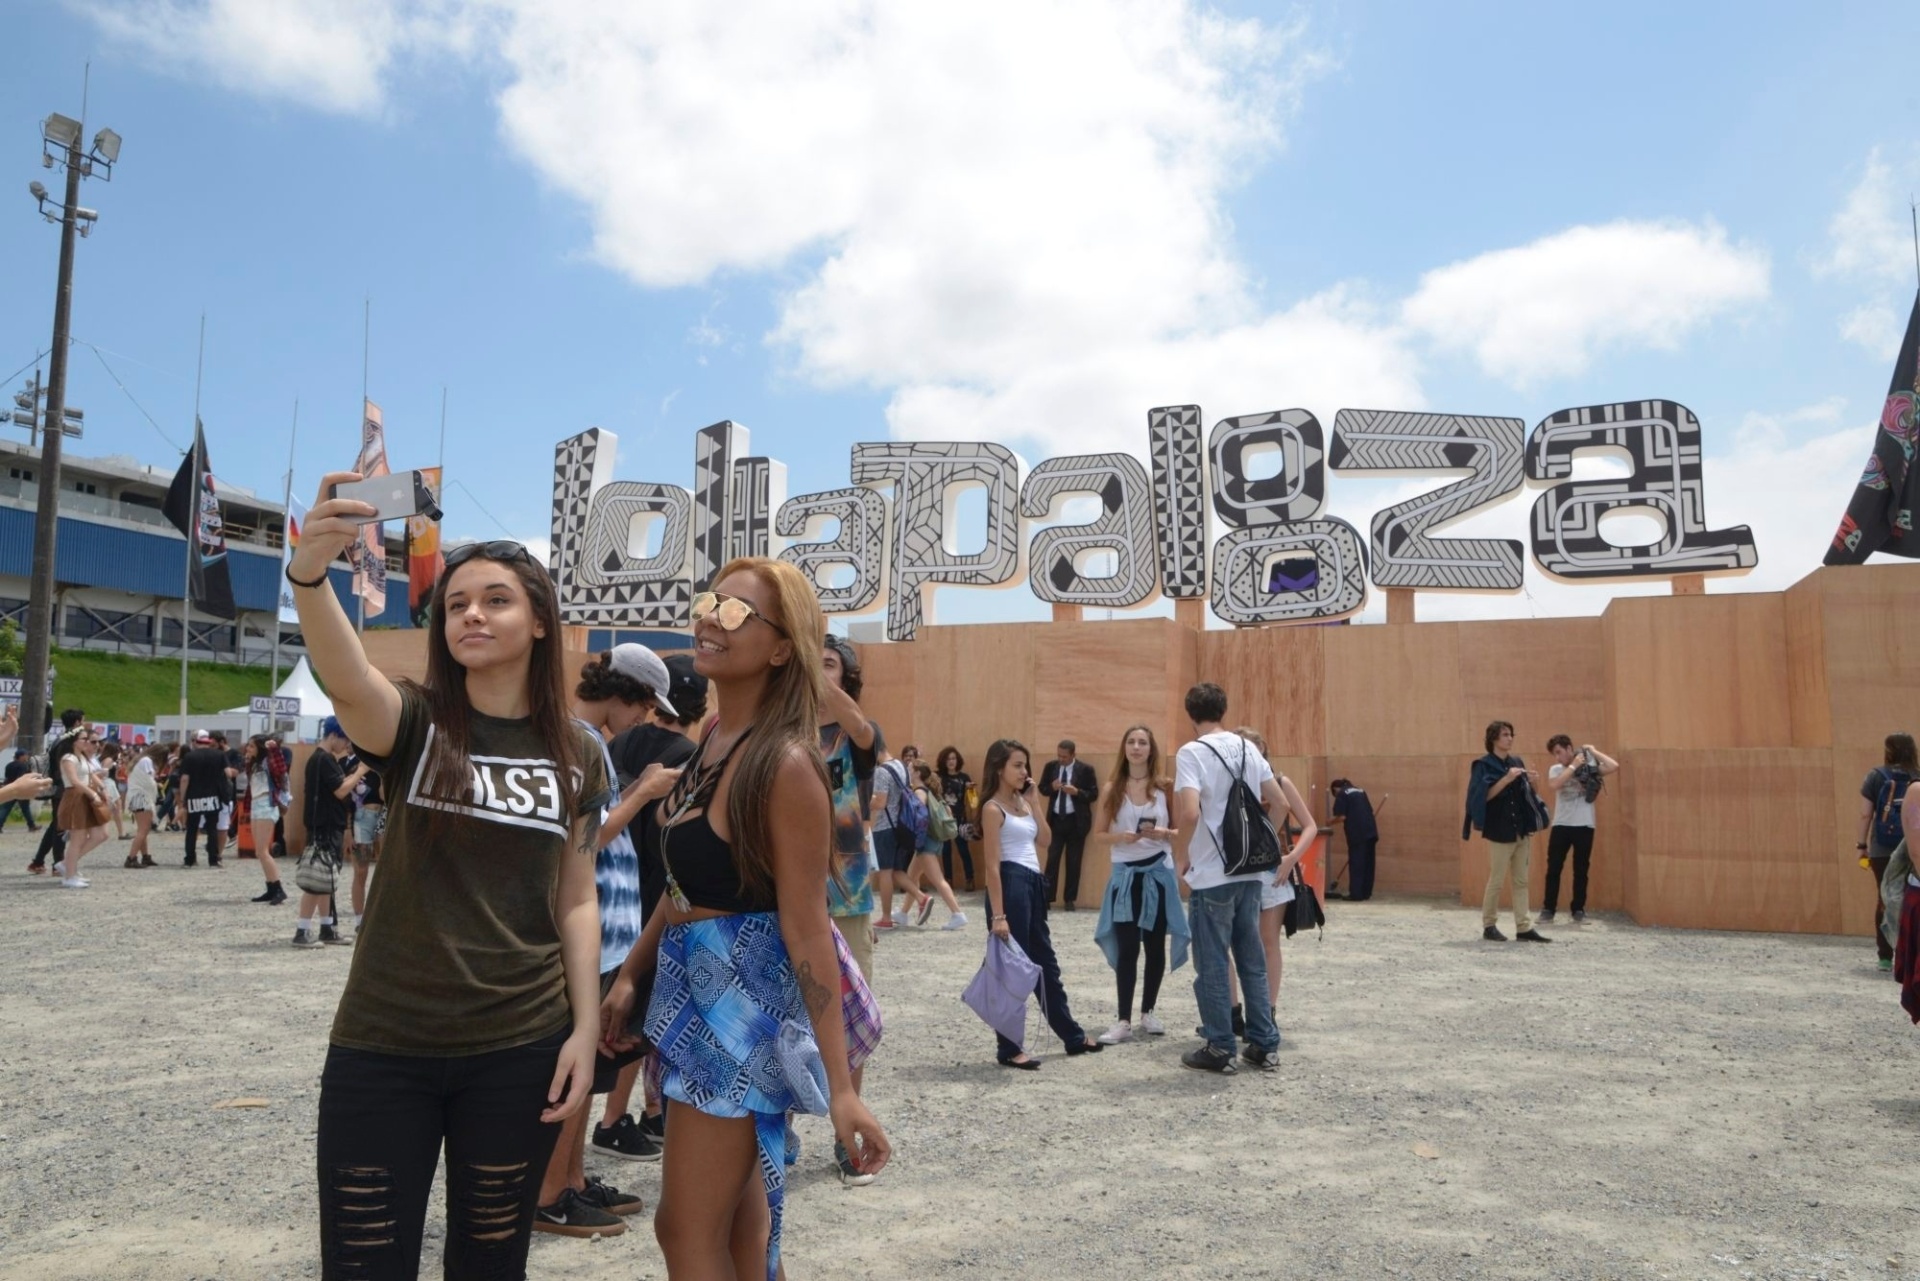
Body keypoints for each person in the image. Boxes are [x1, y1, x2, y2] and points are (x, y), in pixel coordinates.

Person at [290, 478, 613, 1278]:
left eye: (497, 599)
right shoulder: (417, 722)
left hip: (520, 1044)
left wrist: (584, 1027)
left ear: (540, 622)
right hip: (383, 1042)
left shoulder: (580, 753)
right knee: (364, 1262)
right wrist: (308, 578)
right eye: (457, 601)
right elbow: (349, 680)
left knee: (490, 1262)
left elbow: (576, 900)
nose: (471, 612)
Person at [599, 559, 891, 1280]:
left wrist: (843, 1087)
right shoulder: (718, 741)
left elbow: (806, 927)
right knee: (739, 1228)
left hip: (742, 1011)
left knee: (684, 1229)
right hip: (696, 996)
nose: (709, 617)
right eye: (708, 602)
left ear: (783, 645)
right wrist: (633, 971)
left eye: (735, 612)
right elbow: (684, 884)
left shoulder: (785, 764)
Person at [530, 643, 679, 1239]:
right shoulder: (583, 739)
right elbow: (584, 840)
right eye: (644, 705)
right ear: (625, 693)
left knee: (589, 1067)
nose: (644, 720)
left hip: (606, 931)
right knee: (581, 1067)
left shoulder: (575, 736)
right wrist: (642, 792)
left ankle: (570, 1181)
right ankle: (551, 1192)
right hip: (599, 931)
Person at [598, 650, 708, 1159]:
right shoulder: (690, 754)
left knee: (616, 1014)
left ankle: (645, 1113)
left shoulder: (612, 742)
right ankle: (616, 1120)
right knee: (634, 1021)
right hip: (658, 899)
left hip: (607, 897)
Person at [1172, 683, 1314, 1073]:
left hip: (1212, 873)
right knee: (1252, 956)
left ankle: (1220, 1047)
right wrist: (1263, 841)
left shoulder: (1191, 752)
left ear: (1190, 713)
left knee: (1213, 961)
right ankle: (1264, 1044)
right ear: (1224, 709)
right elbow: (1281, 802)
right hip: (1251, 871)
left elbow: (1188, 812)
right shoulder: (1248, 748)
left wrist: (1181, 856)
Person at [978, 736, 1104, 1068]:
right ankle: (1008, 1049)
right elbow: (991, 866)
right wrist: (999, 915)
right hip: (1011, 883)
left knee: (1045, 963)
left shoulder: (1023, 803)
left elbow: (1045, 841)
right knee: (1012, 968)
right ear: (999, 767)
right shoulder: (992, 808)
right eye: (1017, 765)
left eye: (1025, 765)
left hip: (1033, 884)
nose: (1024, 771)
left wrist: (1034, 803)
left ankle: (1072, 1036)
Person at [817, 633, 885, 1186]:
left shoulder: (856, 733)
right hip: (782, 890)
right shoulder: (779, 730)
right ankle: (777, 1126)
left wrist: (823, 688)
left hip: (847, 892)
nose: (819, 670)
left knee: (851, 1014)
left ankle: (848, 1133)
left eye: (830, 664)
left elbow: (866, 733)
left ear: (847, 677)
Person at [1090, 725, 1188, 1045]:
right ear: (1124, 748)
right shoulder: (1112, 788)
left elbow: (1181, 830)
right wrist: (1122, 837)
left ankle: (1148, 1011)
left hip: (1158, 873)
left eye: (1142, 742)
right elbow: (1099, 834)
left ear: (1151, 749)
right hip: (1125, 876)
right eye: (1131, 741)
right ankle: (1123, 1020)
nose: (1136, 747)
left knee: (1155, 945)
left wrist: (1164, 834)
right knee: (1128, 947)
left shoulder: (1165, 787)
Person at [1465, 720, 1553, 944]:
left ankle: (1523, 927)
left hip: (1521, 830)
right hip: (1499, 830)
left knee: (1521, 881)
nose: (1510, 738)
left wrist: (1534, 783)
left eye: (1511, 734)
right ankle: (1489, 925)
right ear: (1494, 738)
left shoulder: (1516, 761)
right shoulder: (1483, 765)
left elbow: (1528, 796)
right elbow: (1481, 798)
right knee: (1496, 880)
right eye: (1505, 734)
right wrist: (1506, 779)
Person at [293, 720, 366, 948]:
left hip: (325, 825)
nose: (345, 745)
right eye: (344, 739)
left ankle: (327, 927)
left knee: (326, 881)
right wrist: (361, 771)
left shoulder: (321, 759)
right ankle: (302, 930)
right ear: (334, 735)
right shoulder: (324, 760)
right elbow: (341, 790)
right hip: (324, 826)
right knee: (317, 880)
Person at [1539, 736, 1619, 924]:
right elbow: (1554, 785)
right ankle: (1548, 909)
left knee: (1581, 869)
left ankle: (1578, 910)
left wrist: (1593, 751)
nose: (1557, 757)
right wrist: (1573, 766)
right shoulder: (1556, 769)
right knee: (1554, 868)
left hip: (1584, 825)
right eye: (1554, 754)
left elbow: (1613, 766)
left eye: (1559, 752)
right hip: (1561, 825)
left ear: (1569, 748)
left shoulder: (1589, 768)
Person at [1860, 733, 1918, 972]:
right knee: (1912, 899)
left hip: (1882, 848)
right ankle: (1910, 954)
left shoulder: (1876, 776)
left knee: (1884, 897)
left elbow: (1866, 814)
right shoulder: (1917, 778)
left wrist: (1861, 846)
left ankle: (1885, 957)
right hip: (1911, 846)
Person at [871, 747, 932, 928]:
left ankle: (886, 917)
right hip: (900, 826)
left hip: (884, 827)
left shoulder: (882, 771)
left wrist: (859, 800)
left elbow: (880, 802)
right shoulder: (900, 765)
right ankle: (922, 898)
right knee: (897, 871)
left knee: (885, 873)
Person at [908, 760, 969, 928]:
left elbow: (919, 816)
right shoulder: (929, 791)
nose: (907, 770)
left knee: (938, 880)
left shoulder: (919, 791)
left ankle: (958, 913)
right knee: (911, 877)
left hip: (925, 842)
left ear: (917, 773)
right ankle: (902, 913)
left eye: (910, 768)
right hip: (932, 841)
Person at [1039, 739, 1098, 910]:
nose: (1061, 759)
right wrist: (1052, 787)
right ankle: (1047, 898)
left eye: (1064, 756)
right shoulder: (1051, 767)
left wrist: (1077, 792)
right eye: (1059, 756)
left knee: (1074, 862)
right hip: (1056, 820)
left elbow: (1094, 794)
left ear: (1073, 755)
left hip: (1076, 822)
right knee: (1052, 859)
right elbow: (1042, 789)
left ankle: (1069, 899)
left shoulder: (1086, 770)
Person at [27, 708, 84, 874]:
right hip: (63, 789)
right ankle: (57, 864)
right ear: (77, 723)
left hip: (59, 788)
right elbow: (63, 768)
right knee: (61, 826)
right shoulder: (67, 742)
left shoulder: (58, 740)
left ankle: (38, 862)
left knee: (55, 826)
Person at [56, 730, 112, 888]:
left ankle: (68, 866)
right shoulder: (69, 758)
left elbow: (90, 775)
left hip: (84, 795)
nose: (87, 742)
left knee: (97, 834)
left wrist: (101, 788)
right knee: (77, 839)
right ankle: (69, 875)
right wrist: (93, 794)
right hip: (76, 796)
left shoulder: (81, 757)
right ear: (74, 741)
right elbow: (74, 781)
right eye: (84, 739)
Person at [239, 735, 290, 906]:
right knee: (259, 851)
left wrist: (274, 750)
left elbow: (281, 769)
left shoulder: (269, 761)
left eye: (251, 746)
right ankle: (271, 888)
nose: (248, 749)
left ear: (260, 748)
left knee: (262, 851)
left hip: (266, 805)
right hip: (256, 804)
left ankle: (278, 889)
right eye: (248, 746)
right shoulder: (253, 764)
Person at [176, 730, 231, 868]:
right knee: (212, 828)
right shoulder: (220, 755)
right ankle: (213, 859)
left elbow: (184, 779)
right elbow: (228, 773)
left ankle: (190, 859)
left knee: (192, 829)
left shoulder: (189, 756)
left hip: (194, 796)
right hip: (213, 796)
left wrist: (183, 798)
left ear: (196, 742)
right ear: (208, 742)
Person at [1326, 778, 1382, 902]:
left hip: (1357, 833)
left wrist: (1329, 822)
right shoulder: (1360, 791)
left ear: (1335, 789)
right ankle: (1366, 893)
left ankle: (1356, 895)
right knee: (1368, 863)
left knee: (1357, 863)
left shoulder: (1342, 793)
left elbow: (1342, 817)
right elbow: (1368, 810)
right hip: (1371, 831)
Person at [344, 759, 383, 926]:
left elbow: (385, 796)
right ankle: (360, 919)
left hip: (383, 815)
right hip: (361, 818)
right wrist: (347, 830)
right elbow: (346, 800)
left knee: (384, 869)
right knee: (361, 870)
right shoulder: (355, 767)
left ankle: (378, 916)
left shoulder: (383, 768)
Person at [935, 746, 975, 890]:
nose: (951, 761)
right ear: (943, 761)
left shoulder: (964, 778)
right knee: (945, 850)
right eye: (948, 759)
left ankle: (970, 879)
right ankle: (948, 880)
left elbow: (973, 801)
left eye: (953, 758)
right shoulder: (938, 776)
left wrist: (971, 789)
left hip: (959, 817)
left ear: (957, 760)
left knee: (963, 849)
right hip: (943, 818)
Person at [123, 743, 164, 868]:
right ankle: (131, 858)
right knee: (143, 830)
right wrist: (157, 785)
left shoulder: (141, 760)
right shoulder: (147, 761)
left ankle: (145, 856)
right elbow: (148, 779)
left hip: (136, 798)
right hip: (142, 798)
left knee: (143, 830)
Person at [1, 747, 41, 834]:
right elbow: (21, 778)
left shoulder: (9, 765)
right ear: (21, 756)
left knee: (5, 808)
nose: (27, 756)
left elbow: (7, 776)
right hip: (20, 789)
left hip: (9, 787)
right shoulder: (23, 766)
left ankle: (0, 825)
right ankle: (31, 826)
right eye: (26, 755)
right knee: (25, 808)